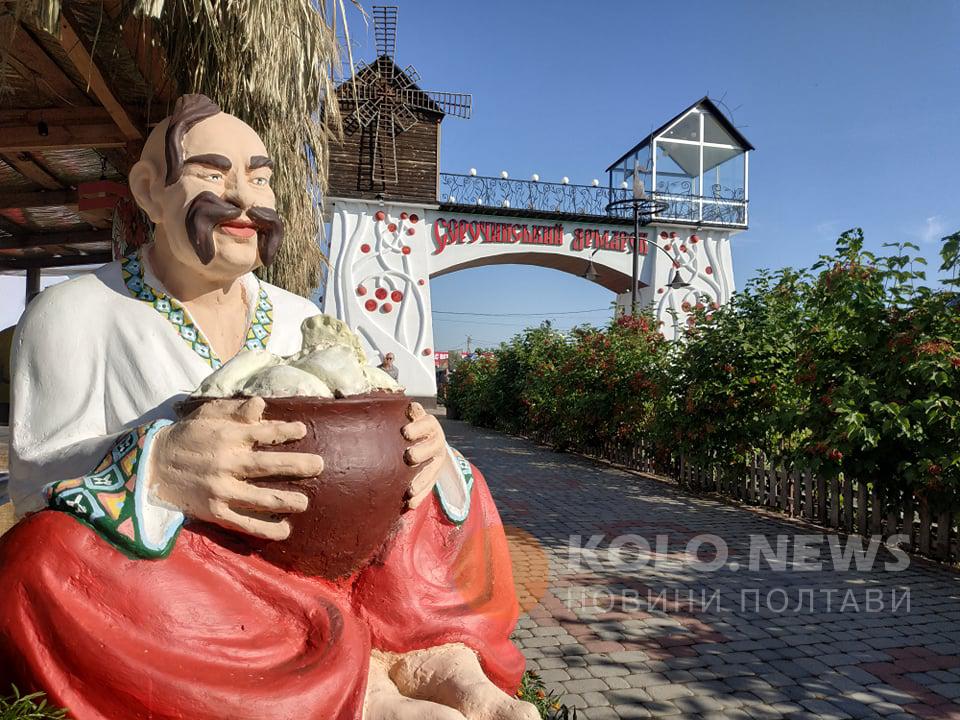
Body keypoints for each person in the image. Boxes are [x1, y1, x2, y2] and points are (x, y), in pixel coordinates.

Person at [0, 94, 536, 720]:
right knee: (41, 563)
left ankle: (438, 657)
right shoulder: (73, 314)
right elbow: (38, 482)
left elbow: (365, 401)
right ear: (149, 190)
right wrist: (155, 465)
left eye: (259, 177)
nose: (245, 198)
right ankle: (360, 687)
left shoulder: (300, 317)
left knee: (450, 482)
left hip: (325, 543)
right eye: (212, 173)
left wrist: (418, 449)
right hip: (192, 576)